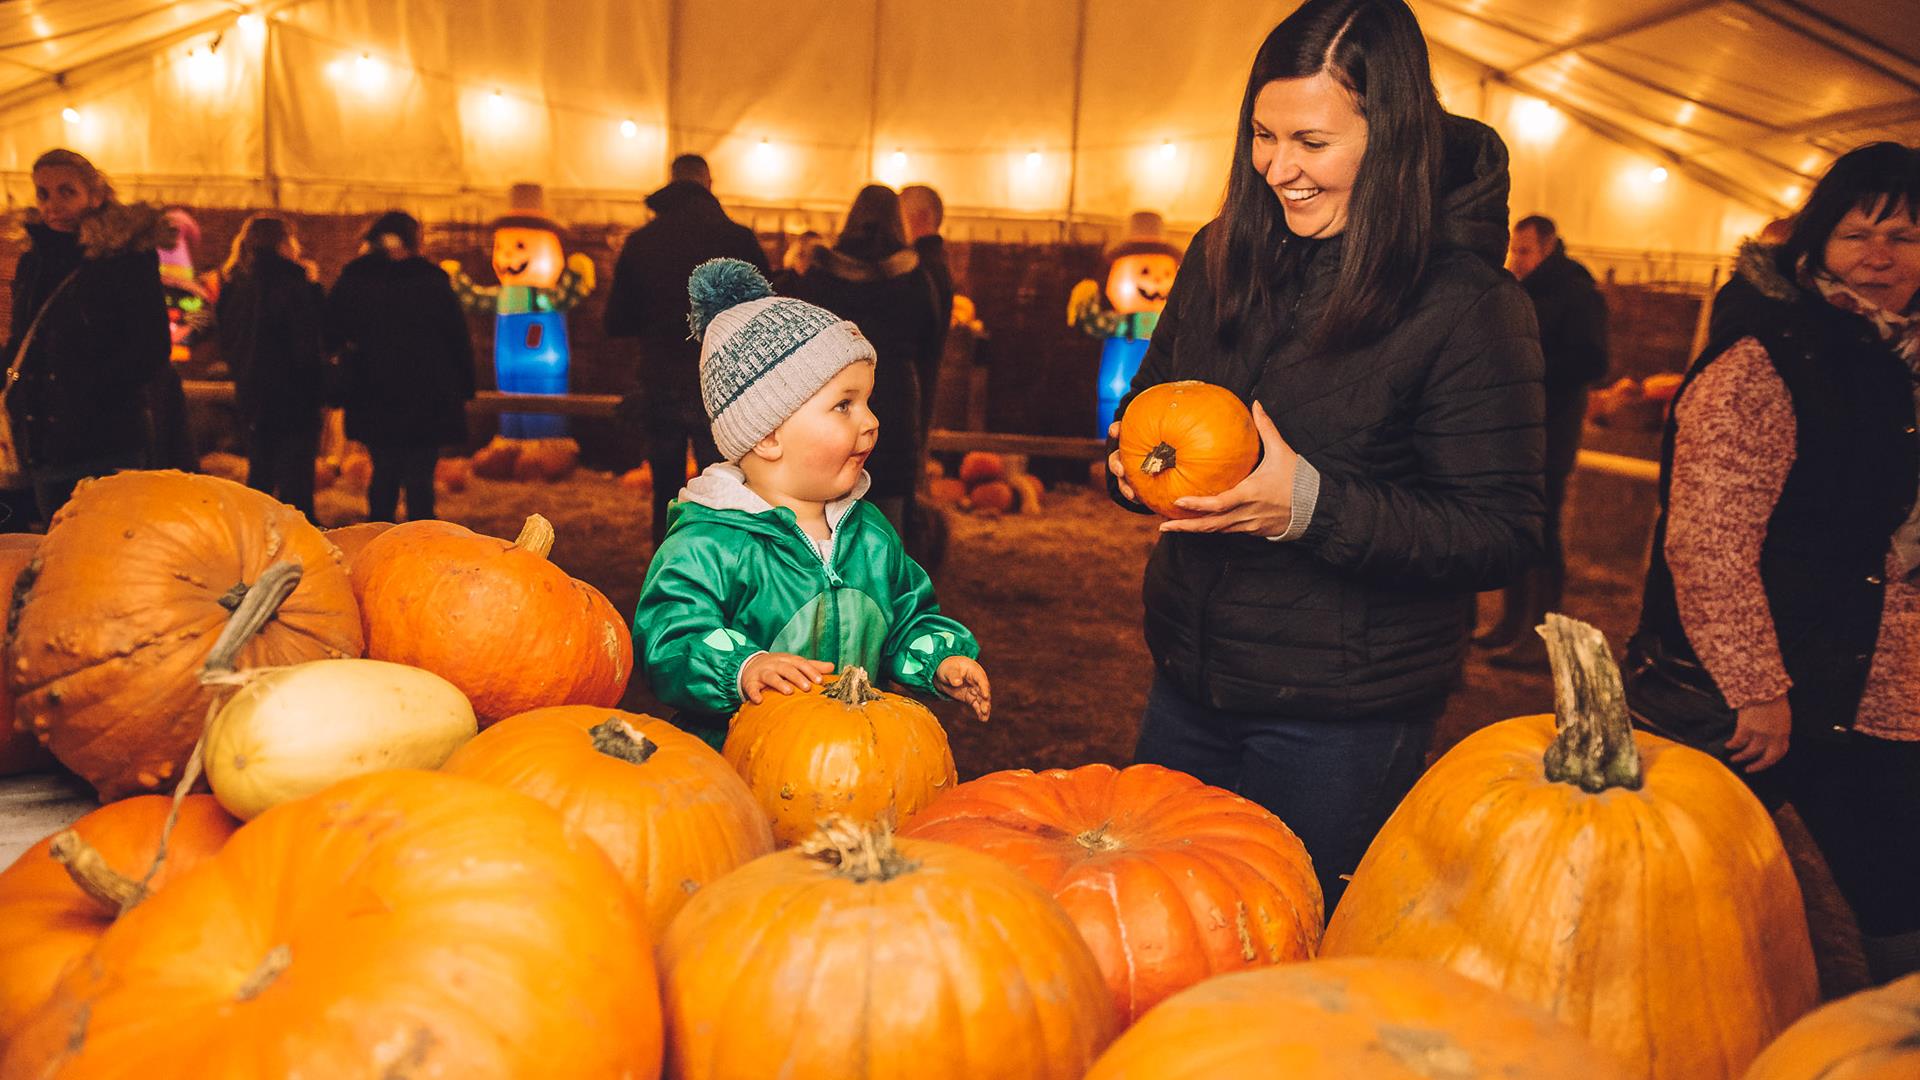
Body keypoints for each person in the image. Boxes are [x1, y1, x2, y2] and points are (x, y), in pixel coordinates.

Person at [1105, 0, 1544, 911]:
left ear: (1392, 139)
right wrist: (1129, 472)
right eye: (1262, 136)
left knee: (1284, 954)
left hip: (1341, 718)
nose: (1277, 168)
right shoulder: (1221, 254)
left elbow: (1502, 531)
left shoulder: (1466, 304)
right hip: (1189, 679)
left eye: (1312, 141)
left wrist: (1311, 506)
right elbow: (1154, 412)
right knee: (1156, 926)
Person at [1626, 141, 1920, 983]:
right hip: (1754, 691)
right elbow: (1708, 540)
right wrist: (1757, 687)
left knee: (1899, 887)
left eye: (1903, 237)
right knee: (1667, 890)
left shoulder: (1904, 364)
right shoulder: (1767, 359)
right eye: (1855, 234)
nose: (1878, 257)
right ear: (1814, 242)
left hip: (1877, 683)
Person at [632, 258, 990, 751]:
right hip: (739, 762)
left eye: (867, 401)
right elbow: (670, 639)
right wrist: (744, 667)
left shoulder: (869, 534)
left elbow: (907, 617)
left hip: (855, 760)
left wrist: (940, 660)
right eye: (844, 405)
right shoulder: (708, 544)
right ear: (770, 435)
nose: (871, 422)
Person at [605, 154, 770, 546]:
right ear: (708, 184)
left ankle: (670, 570)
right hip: (722, 385)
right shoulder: (738, 240)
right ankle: (721, 570)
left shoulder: (642, 243)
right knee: (724, 485)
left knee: (666, 489)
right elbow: (766, 313)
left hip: (660, 381)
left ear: (671, 183)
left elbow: (616, 321)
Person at [0, 148, 171, 526]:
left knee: (107, 547)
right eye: (43, 193)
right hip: (44, 442)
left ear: (94, 195)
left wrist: (88, 389)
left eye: (66, 192)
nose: (52, 205)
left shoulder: (125, 260)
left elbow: (151, 346)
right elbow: (23, 340)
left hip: (104, 439)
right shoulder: (34, 260)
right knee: (57, 549)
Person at [1478, 214, 1608, 667]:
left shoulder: (1576, 294)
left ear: (1549, 246)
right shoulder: (1523, 289)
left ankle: (1543, 637)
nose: (1517, 258)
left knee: (1542, 532)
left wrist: (1529, 367)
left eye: (1526, 251)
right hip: (1518, 432)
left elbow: (1593, 360)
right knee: (1517, 528)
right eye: (1515, 250)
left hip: (1550, 434)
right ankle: (1512, 624)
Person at [789, 185, 944, 532]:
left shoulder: (821, 276)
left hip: (834, 410)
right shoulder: (915, 279)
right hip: (893, 411)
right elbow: (929, 349)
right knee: (886, 530)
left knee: (826, 526)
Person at [325, 211, 475, 523]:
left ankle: (380, 534)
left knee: (384, 470)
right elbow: (455, 336)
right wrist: (464, 383)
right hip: (426, 392)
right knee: (420, 474)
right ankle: (422, 538)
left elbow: (331, 332)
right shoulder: (430, 281)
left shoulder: (355, 281)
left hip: (374, 390)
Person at [217, 214, 327, 521]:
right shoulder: (294, 285)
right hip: (295, 397)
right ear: (283, 243)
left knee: (260, 473)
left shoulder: (235, 286)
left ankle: (255, 542)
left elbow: (226, 339)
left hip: (252, 394)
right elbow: (311, 341)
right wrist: (314, 289)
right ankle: (301, 548)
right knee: (297, 483)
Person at [900, 183, 955, 432]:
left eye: (899, 214)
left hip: (913, 393)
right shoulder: (935, 263)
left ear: (920, 216)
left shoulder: (920, 268)